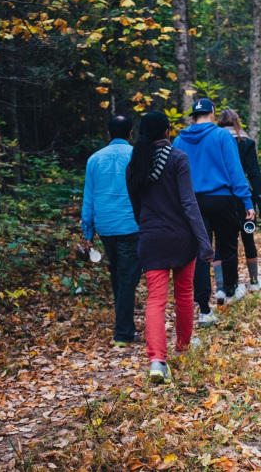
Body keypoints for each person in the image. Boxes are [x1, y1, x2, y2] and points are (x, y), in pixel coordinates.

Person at [126, 112, 213, 384]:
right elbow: (189, 203)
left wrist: (150, 228)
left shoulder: (134, 165)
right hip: (180, 239)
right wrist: (204, 241)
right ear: (166, 131)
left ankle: (156, 361)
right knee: (184, 293)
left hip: (151, 240)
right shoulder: (177, 158)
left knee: (155, 300)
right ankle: (183, 347)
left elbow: (137, 208)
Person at [173, 99, 255, 327]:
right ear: (212, 114)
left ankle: (204, 309)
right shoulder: (222, 136)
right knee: (227, 246)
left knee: (201, 252)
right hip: (221, 199)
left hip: (192, 202)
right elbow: (235, 170)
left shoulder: (179, 140)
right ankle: (228, 291)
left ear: (193, 116)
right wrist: (247, 200)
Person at [81, 115, 142, 347]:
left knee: (118, 273)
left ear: (108, 134)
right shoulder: (137, 156)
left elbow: (89, 198)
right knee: (128, 277)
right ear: (130, 133)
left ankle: (124, 323)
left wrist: (88, 232)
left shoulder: (94, 159)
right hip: (131, 224)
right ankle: (124, 332)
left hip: (106, 226)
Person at [216, 108, 261, 291]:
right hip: (244, 198)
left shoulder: (214, 141)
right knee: (248, 238)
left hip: (220, 197)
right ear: (237, 122)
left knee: (221, 242)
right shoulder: (246, 143)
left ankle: (222, 287)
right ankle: (254, 281)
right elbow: (254, 175)